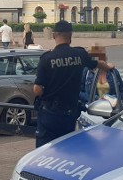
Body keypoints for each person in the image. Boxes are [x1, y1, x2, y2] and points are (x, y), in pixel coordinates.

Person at [33, 20, 114, 148]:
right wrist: (108, 67)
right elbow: (98, 63)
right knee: (67, 148)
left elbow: (37, 90)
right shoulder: (80, 54)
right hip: (69, 114)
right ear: (70, 36)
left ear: (54, 36)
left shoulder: (47, 58)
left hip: (50, 114)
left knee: (45, 151)